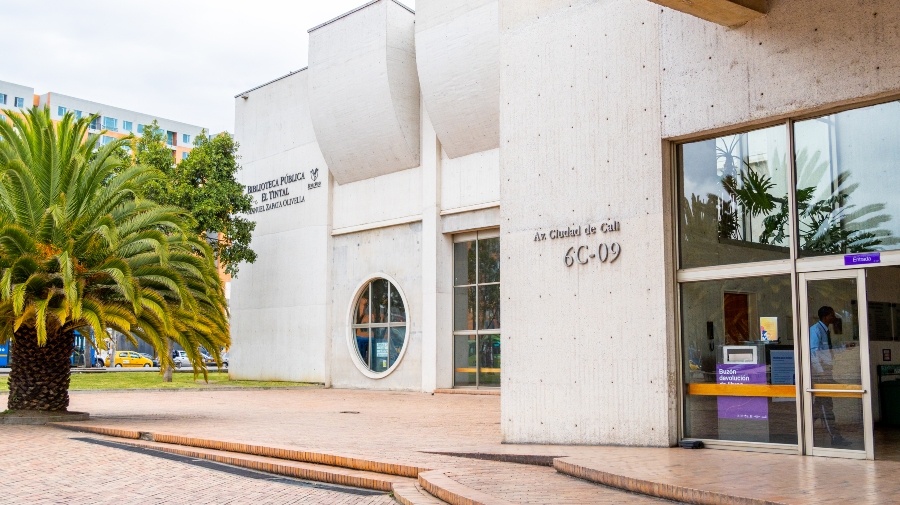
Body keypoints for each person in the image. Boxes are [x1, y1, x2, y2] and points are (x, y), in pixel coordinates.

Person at [809, 306, 850, 447]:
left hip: (827, 371)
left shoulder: (825, 330)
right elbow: (813, 353)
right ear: (826, 316)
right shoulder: (815, 330)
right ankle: (835, 437)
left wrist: (845, 347)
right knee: (826, 406)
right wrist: (820, 372)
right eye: (832, 315)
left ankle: (799, 432)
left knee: (818, 407)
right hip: (822, 373)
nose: (834, 317)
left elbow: (827, 352)